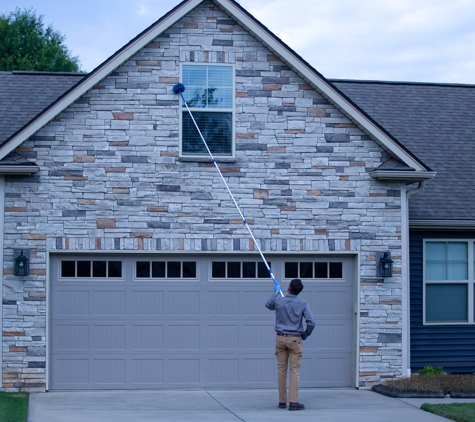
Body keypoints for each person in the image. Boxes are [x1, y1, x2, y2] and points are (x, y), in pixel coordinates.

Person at [265, 278, 315, 411]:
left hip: (280, 339)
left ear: (288, 288)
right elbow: (311, 322)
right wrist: (306, 334)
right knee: (294, 371)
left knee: (281, 370)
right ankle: (293, 402)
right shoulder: (302, 303)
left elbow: (268, 304)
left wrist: (275, 293)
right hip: (295, 340)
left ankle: (282, 401)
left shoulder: (279, 300)